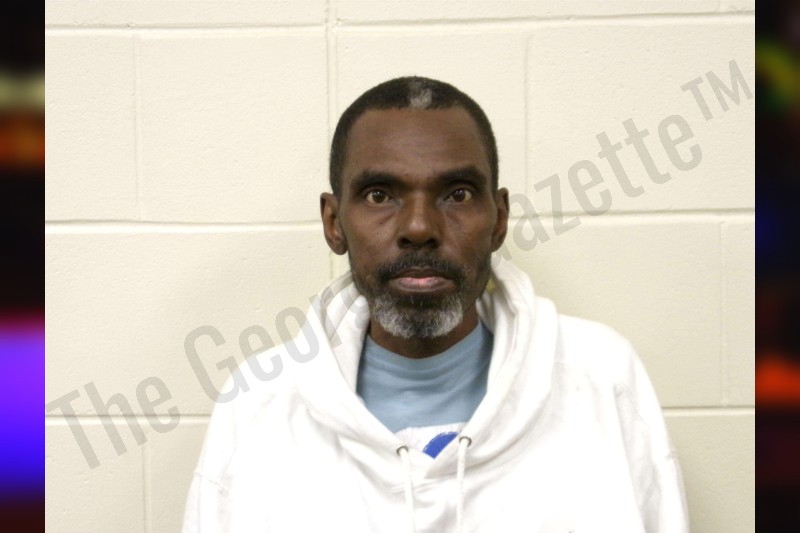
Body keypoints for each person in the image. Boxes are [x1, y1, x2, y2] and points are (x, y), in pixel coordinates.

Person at [182, 76, 690, 533]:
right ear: (334, 223)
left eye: (458, 194)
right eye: (380, 195)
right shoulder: (259, 406)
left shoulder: (600, 379)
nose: (419, 228)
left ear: (499, 219)